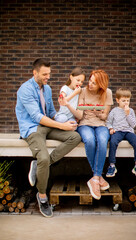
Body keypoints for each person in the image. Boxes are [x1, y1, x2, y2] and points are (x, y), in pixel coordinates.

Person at [15, 58, 81, 218]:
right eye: (44, 74)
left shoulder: (48, 89)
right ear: (35, 72)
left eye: (49, 74)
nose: (48, 77)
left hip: (47, 125)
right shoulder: (25, 89)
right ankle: (42, 196)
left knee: (75, 137)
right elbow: (37, 117)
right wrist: (61, 126)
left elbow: (50, 112)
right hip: (32, 128)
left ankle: (37, 165)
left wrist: (65, 121)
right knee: (44, 158)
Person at [59, 70, 113, 200]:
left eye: (94, 83)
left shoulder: (108, 93)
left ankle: (94, 178)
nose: (90, 84)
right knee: (89, 140)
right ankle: (98, 177)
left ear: (101, 84)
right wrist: (68, 105)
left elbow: (105, 116)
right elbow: (80, 115)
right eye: (90, 80)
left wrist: (98, 113)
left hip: (100, 124)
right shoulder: (82, 91)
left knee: (102, 139)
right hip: (84, 123)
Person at [106, 88, 136, 178]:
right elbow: (108, 121)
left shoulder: (130, 111)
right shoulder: (114, 111)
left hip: (128, 131)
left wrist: (127, 114)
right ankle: (112, 165)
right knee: (113, 142)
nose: (126, 103)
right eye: (123, 101)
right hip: (117, 131)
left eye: (128, 100)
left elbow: (133, 124)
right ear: (117, 100)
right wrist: (110, 128)